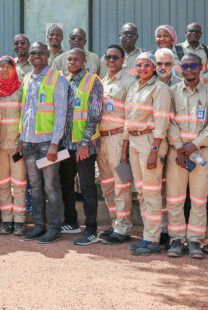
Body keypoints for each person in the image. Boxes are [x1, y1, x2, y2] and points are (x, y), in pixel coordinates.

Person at [164, 53, 208, 258]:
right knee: (175, 198)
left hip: (201, 153)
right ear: (180, 69)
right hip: (176, 154)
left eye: (193, 66)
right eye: (185, 66)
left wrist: (193, 146)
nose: (189, 70)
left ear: (201, 67)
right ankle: (176, 239)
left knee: (199, 199)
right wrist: (180, 147)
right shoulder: (171, 92)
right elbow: (168, 121)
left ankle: (195, 240)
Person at [17, 42, 69, 244]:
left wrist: (55, 143)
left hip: (47, 143)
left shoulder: (57, 79)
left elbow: (61, 113)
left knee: (51, 186)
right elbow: (25, 111)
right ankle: (39, 226)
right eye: (33, 53)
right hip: (29, 143)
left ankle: (55, 228)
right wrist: (21, 138)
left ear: (48, 55)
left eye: (40, 53)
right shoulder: (27, 78)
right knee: (36, 186)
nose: (36, 56)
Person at [121, 52, 172, 256]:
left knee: (151, 192)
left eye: (147, 65)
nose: (142, 68)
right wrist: (124, 150)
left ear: (154, 68)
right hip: (134, 142)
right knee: (141, 192)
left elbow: (162, 120)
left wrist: (155, 150)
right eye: (139, 65)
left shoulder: (160, 88)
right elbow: (128, 120)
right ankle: (148, 236)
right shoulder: (134, 87)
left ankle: (152, 240)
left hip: (150, 142)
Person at [59, 48, 104, 246]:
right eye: (69, 59)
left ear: (84, 61)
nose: (72, 62)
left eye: (76, 59)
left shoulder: (93, 81)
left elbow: (95, 114)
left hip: (84, 145)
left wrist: (85, 144)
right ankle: (71, 222)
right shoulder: (65, 81)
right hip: (66, 144)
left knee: (87, 187)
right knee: (66, 183)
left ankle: (91, 229)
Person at [97, 45, 136, 244]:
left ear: (123, 60)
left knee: (122, 184)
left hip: (119, 139)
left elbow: (131, 115)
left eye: (115, 57)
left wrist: (125, 148)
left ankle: (123, 227)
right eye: (108, 57)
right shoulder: (101, 81)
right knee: (107, 185)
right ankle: (115, 223)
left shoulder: (129, 82)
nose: (111, 61)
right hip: (102, 140)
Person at [0, 56, 27, 235]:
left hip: (16, 146)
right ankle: (7, 220)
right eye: (2, 67)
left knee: (19, 184)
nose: (4, 70)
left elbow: (26, 117)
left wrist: (23, 141)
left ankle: (19, 221)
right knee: (2, 184)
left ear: (14, 70)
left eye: (8, 67)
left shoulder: (21, 89)